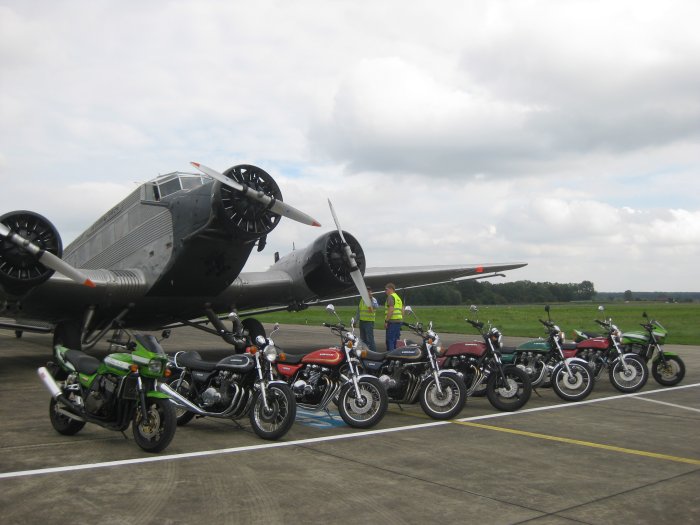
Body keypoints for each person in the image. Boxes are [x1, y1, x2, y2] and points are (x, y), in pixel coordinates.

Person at [356, 287, 379, 352]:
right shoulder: (362, 300)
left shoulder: (373, 299)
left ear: (371, 292)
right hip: (362, 322)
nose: (367, 293)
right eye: (366, 292)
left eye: (369, 292)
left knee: (370, 339)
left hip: (369, 322)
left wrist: (370, 299)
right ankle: (365, 352)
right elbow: (359, 311)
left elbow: (376, 306)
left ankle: (374, 352)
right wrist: (355, 321)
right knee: (363, 339)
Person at [384, 283, 403, 351]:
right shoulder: (398, 298)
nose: (385, 291)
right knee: (396, 341)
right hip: (398, 322)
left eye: (386, 289)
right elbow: (402, 310)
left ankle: (391, 355)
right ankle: (396, 355)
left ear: (391, 289)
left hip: (392, 322)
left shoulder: (390, 297)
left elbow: (391, 309)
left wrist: (386, 321)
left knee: (390, 340)